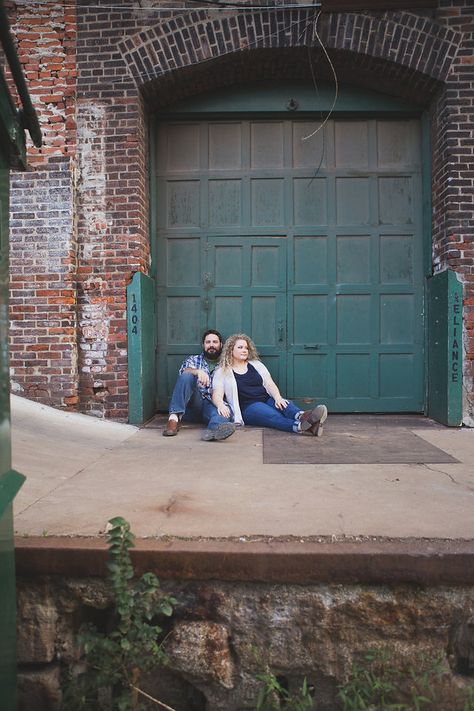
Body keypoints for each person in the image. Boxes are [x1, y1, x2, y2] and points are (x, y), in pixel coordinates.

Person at [212, 333, 328, 436]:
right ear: (230, 350)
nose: (244, 350)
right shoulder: (222, 371)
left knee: (285, 404)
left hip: (266, 399)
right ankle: (298, 426)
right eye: (240, 347)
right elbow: (217, 394)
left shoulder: (256, 365)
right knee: (271, 415)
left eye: (246, 348)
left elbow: (269, 383)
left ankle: (304, 417)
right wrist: (220, 405)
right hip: (248, 407)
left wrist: (278, 398)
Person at [163, 330, 236, 441]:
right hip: (194, 404)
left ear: (221, 345)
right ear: (203, 345)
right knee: (187, 376)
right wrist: (197, 371)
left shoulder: (227, 363)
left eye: (215, 342)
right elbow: (184, 373)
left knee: (224, 414)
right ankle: (173, 419)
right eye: (208, 342)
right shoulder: (193, 360)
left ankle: (212, 431)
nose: (211, 345)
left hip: (214, 404)